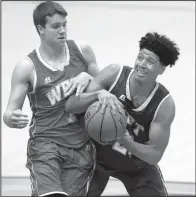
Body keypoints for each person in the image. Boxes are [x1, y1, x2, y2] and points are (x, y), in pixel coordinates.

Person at [3, 1, 100, 197]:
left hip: (80, 146)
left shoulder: (82, 51)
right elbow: (9, 112)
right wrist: (11, 117)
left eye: (64, 24)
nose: (62, 30)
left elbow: (104, 89)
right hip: (46, 145)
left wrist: (89, 78)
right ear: (41, 29)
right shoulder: (27, 66)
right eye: (56, 26)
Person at [64, 32, 180, 196]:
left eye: (150, 61)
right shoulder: (114, 74)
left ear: (161, 69)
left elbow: (154, 155)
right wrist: (97, 95)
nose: (141, 64)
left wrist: (122, 139)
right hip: (95, 158)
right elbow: (70, 106)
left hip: (135, 166)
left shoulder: (164, 104)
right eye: (140, 57)